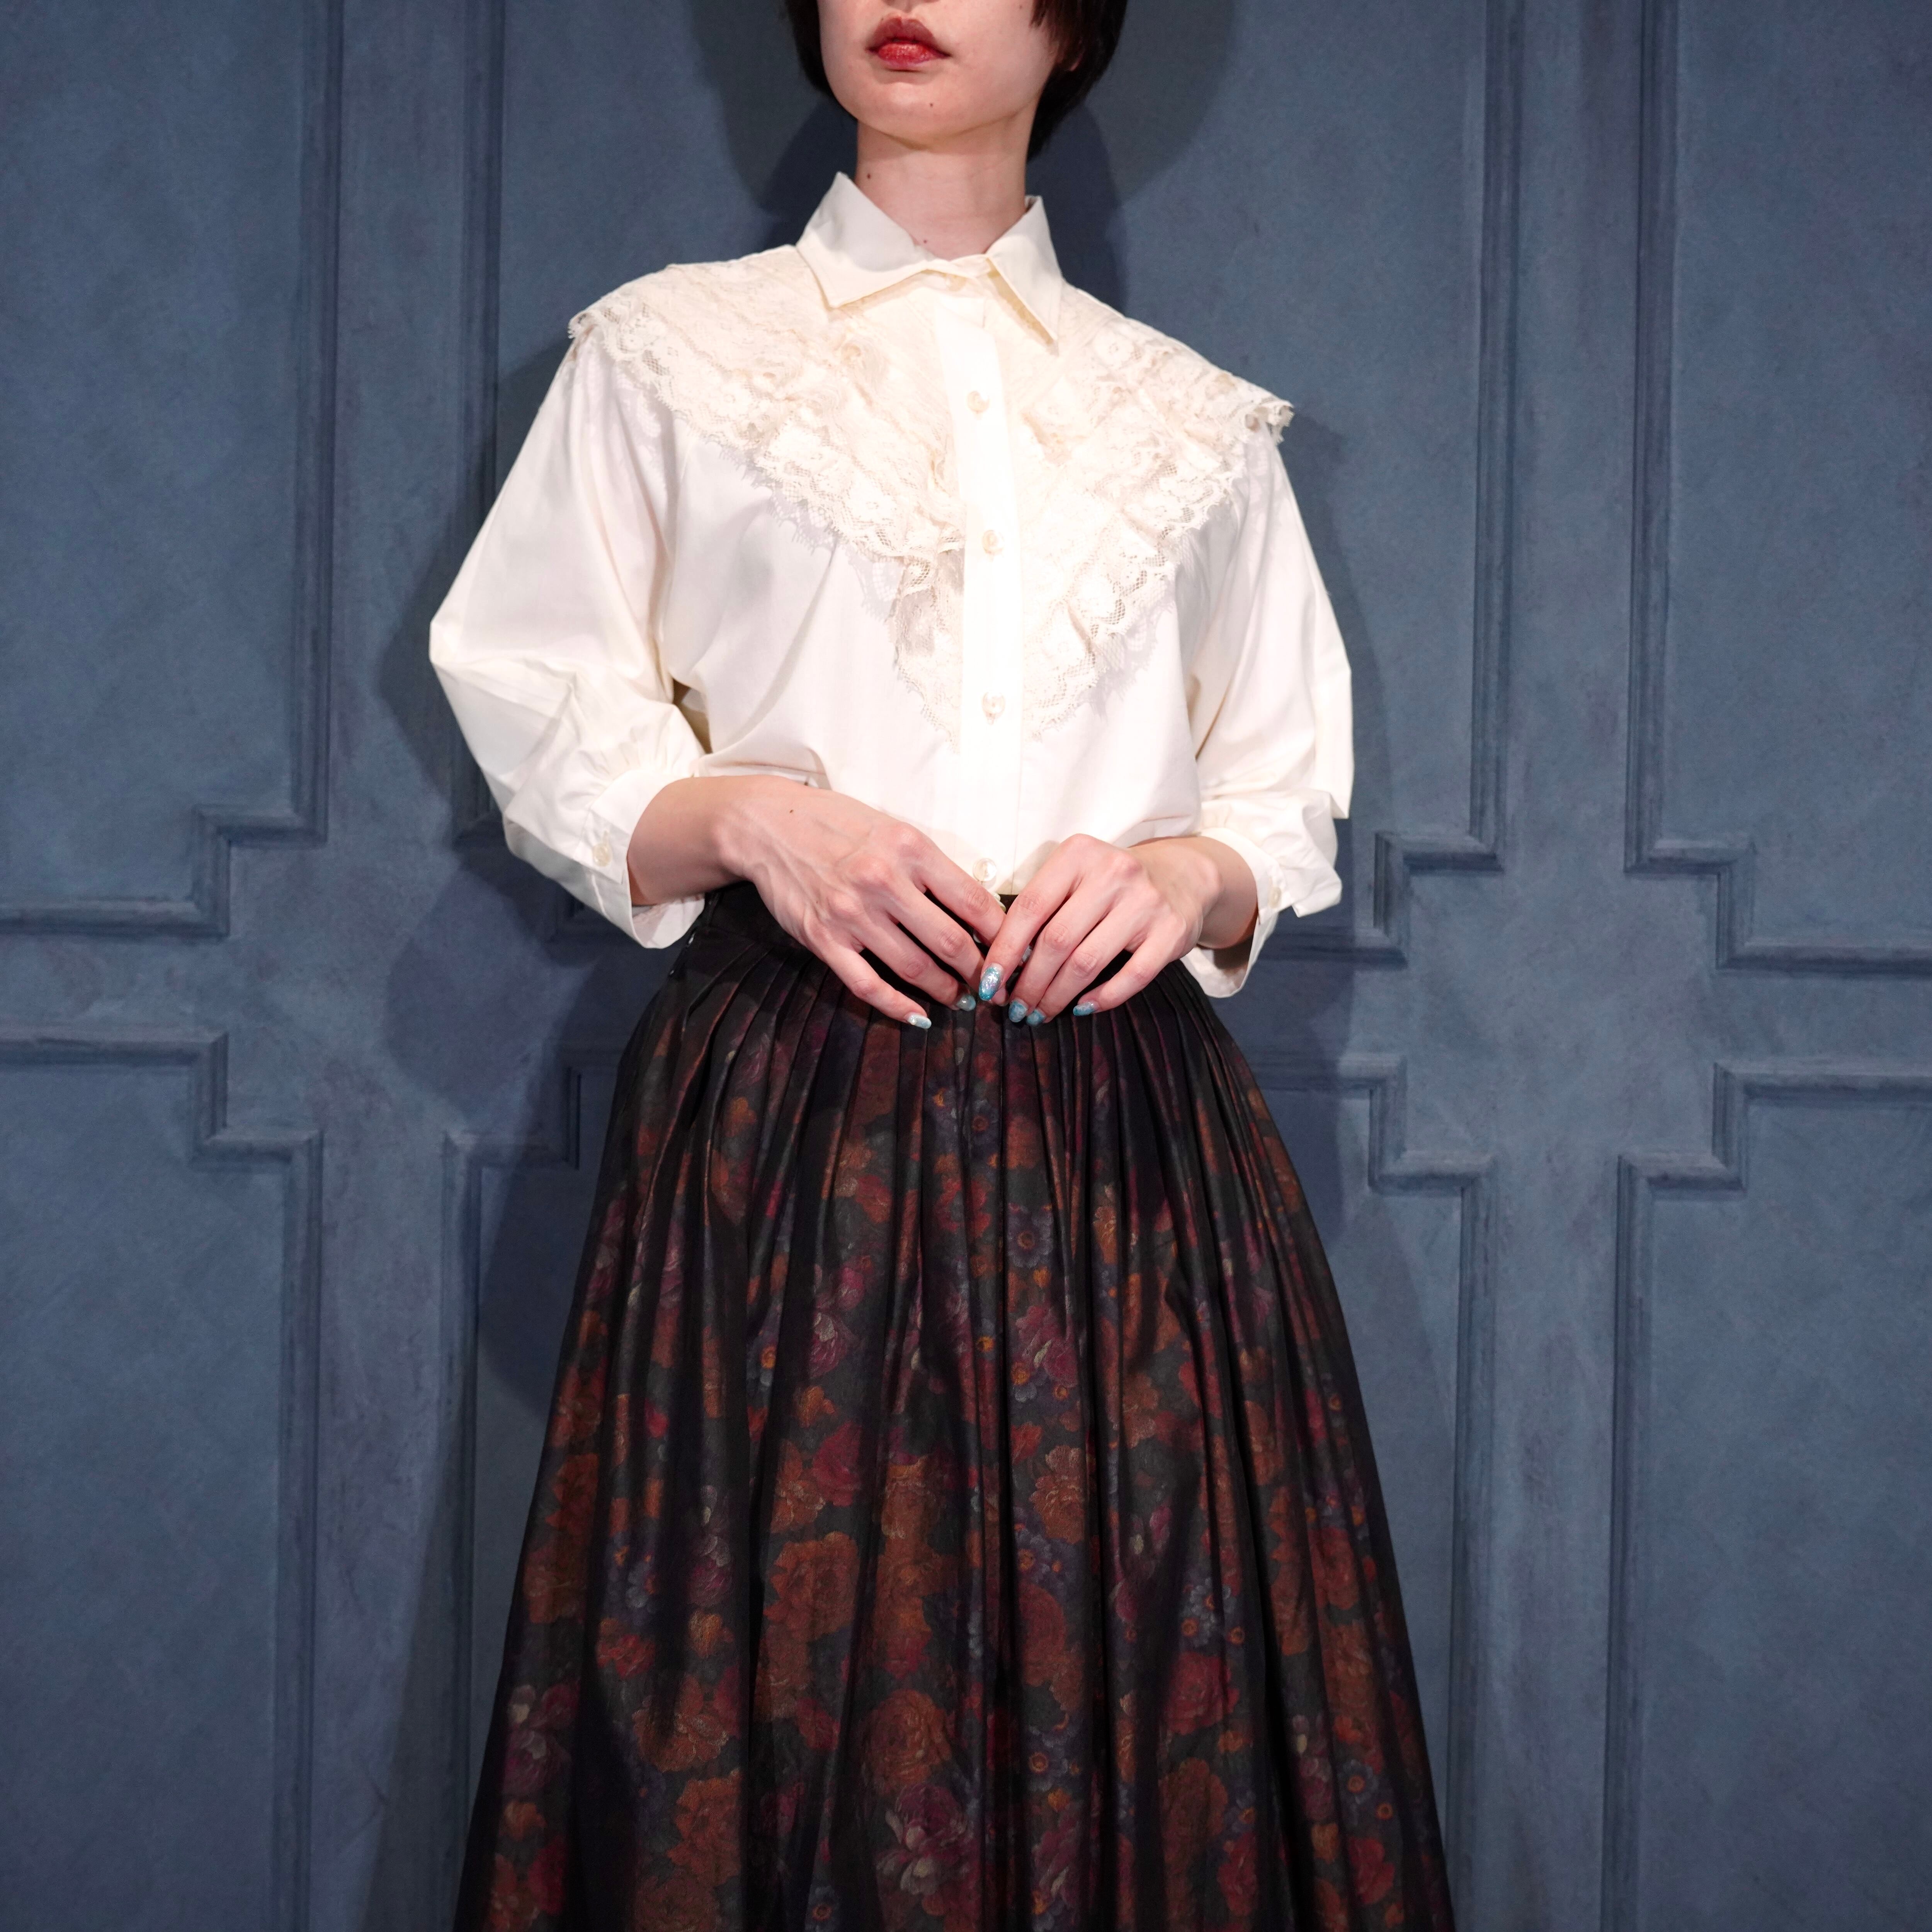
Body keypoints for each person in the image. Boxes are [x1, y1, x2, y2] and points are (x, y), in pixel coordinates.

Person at [429, 0, 1456, 1923]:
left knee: (1153, 1678)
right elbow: (538, 692)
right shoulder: (669, 353)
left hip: (1122, 1158)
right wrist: (755, 820)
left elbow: (1277, 790)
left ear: (1070, 25)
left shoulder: (1189, 424)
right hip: (787, 1128)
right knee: (767, 1696)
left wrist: (1185, 874)